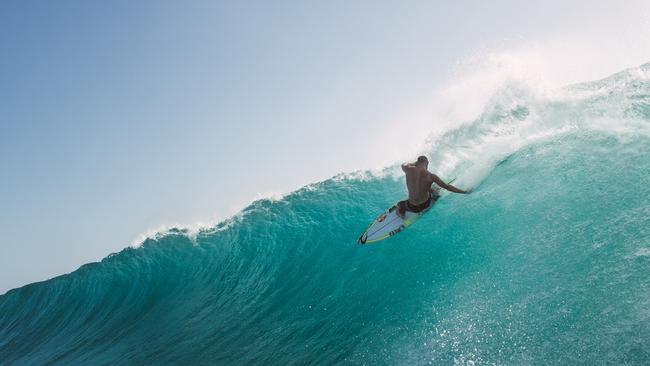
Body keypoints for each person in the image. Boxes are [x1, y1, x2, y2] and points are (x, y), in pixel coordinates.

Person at [397, 155, 471, 217]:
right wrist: (464, 192)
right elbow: (447, 187)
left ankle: (401, 212)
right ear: (427, 163)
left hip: (412, 207)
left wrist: (415, 163)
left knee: (400, 204)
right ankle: (436, 196)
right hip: (426, 204)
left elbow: (403, 164)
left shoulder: (408, 169)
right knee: (432, 188)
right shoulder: (431, 176)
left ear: (417, 162)